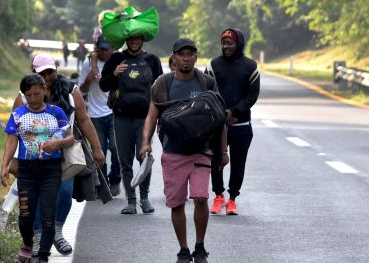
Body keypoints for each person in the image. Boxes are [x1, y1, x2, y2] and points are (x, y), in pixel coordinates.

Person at [140, 38, 229, 263]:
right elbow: (152, 115)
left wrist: (223, 150)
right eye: (182, 54)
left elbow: (220, 117)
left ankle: (200, 246)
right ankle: (183, 249)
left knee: (200, 197)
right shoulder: (163, 84)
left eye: (190, 54)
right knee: (177, 203)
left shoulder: (206, 82)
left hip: (202, 150)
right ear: (174, 58)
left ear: (196, 57)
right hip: (173, 151)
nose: (186, 58)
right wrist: (145, 142)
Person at [11, 54, 105, 256]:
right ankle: (38, 236)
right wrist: (13, 159)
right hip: (32, 155)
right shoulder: (23, 94)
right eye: (41, 73)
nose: (46, 76)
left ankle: (57, 232)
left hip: (65, 152)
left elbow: (84, 119)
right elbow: (15, 130)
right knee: (36, 197)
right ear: (33, 71)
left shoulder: (70, 91)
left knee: (64, 193)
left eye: (49, 72)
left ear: (55, 70)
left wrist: (97, 148)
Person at [0, 73, 74, 263]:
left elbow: (70, 138)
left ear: (44, 90)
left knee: (48, 215)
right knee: (26, 216)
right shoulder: (18, 115)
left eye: (37, 93)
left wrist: (57, 143)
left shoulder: (56, 113)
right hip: (27, 170)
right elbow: (11, 141)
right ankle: (27, 242)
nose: (33, 99)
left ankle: (43, 256)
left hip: (51, 170)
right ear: (25, 95)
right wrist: (4, 165)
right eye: (29, 95)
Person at [100, 35, 163, 214]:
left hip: (146, 118)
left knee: (144, 157)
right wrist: (114, 73)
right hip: (121, 117)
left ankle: (144, 198)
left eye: (138, 39)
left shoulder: (152, 60)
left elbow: (161, 89)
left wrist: (161, 118)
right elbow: (104, 85)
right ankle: (131, 201)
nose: (134, 42)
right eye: (131, 39)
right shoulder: (116, 58)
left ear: (143, 39)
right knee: (125, 161)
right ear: (126, 39)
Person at [205, 28, 260, 215]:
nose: (226, 46)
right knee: (216, 160)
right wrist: (221, 112)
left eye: (230, 43)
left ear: (239, 44)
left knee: (238, 163)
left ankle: (232, 199)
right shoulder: (213, 65)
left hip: (241, 125)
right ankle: (218, 195)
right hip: (217, 124)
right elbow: (207, 91)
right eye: (223, 43)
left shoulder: (250, 67)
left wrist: (235, 111)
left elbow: (253, 95)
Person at [78, 34, 121, 196]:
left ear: (113, 49)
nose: (104, 52)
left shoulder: (118, 62)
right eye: (101, 49)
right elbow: (81, 90)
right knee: (100, 150)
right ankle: (103, 185)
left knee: (116, 148)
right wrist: (90, 78)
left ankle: (115, 179)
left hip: (114, 112)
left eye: (107, 49)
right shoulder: (88, 63)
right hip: (95, 114)